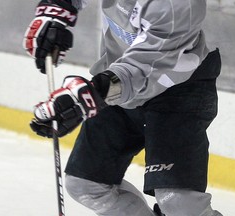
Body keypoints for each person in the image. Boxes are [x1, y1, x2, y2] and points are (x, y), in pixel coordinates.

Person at [23, 0, 223, 215]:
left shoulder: (177, 4)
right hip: (116, 76)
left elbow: (142, 70)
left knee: (179, 203)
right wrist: (57, 7)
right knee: (86, 184)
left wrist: (91, 96)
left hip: (179, 88)